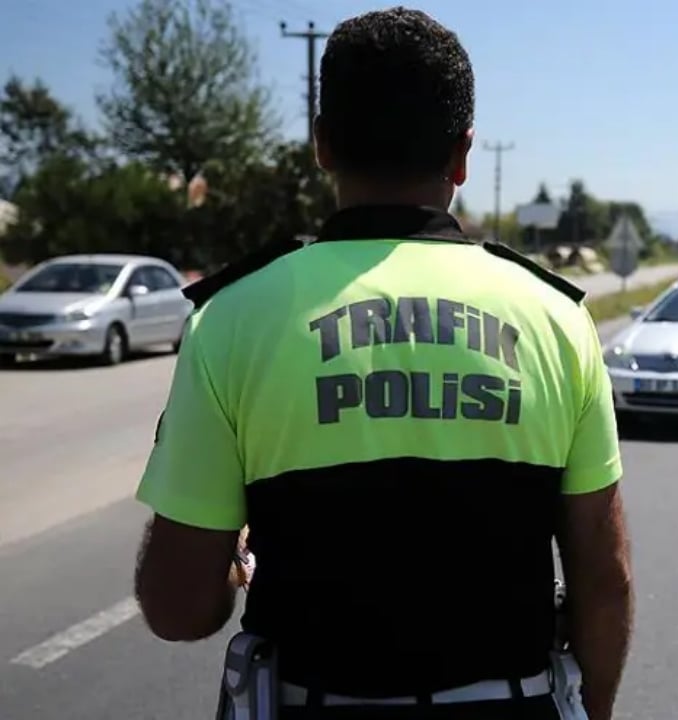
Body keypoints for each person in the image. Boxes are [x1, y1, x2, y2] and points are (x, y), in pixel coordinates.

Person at [131, 7, 634, 719]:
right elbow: (603, 580)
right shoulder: (558, 320)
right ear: (462, 155)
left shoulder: (233, 319)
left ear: (322, 146)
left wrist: (231, 568)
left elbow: (177, 608)